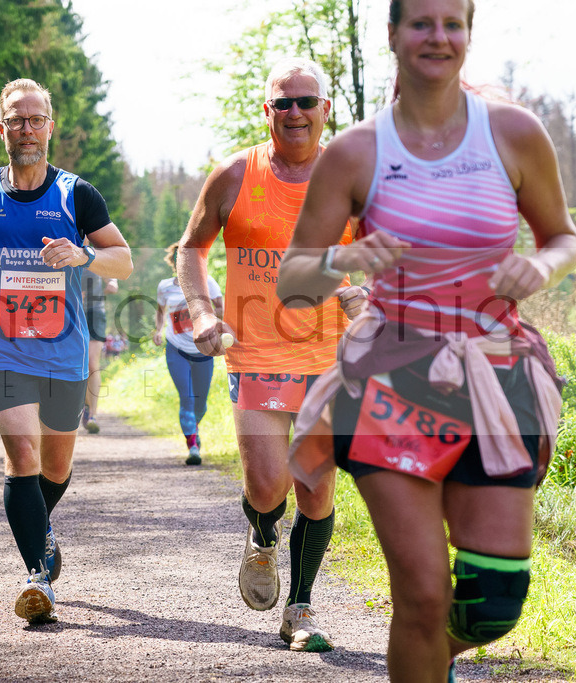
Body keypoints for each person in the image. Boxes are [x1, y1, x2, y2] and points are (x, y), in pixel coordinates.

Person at [276, 1, 576, 680]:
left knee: (493, 604)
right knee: (421, 594)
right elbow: (294, 282)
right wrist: (349, 261)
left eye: (453, 22)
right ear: (392, 35)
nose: (437, 36)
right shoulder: (356, 150)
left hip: (496, 371)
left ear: (469, 34)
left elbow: (564, 237)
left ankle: (425, 660)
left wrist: (542, 264)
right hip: (389, 376)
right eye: (421, 22)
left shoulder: (514, 133)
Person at [0, 78, 132, 624]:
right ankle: (37, 577)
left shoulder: (75, 195)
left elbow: (124, 259)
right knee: (22, 458)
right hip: (3, 348)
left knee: (56, 468)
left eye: (36, 119)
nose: (26, 129)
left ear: (50, 127)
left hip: (63, 351)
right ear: (1, 128)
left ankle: (40, 528)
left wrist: (83, 254)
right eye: (16, 119)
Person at [178, 58, 366, 652]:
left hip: (328, 356)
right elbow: (189, 250)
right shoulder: (234, 175)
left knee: (315, 488)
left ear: (324, 111)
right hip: (255, 351)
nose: (294, 112)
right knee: (268, 485)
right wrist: (203, 311)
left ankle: (300, 609)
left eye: (305, 101)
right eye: (282, 103)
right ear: (267, 111)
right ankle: (261, 539)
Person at [153, 243, 223, 465]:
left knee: (200, 403)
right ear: (174, 263)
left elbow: (221, 306)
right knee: (186, 398)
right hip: (176, 349)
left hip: (203, 350)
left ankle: (194, 426)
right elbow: (160, 311)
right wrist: (157, 330)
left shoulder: (208, 282)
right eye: (180, 260)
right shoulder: (165, 286)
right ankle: (193, 446)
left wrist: (218, 326)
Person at [82, 266, 117, 433]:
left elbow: (112, 276)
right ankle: (83, 401)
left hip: (94, 312)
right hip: (68, 312)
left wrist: (112, 282)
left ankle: (92, 415)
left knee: (91, 363)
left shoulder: (96, 252)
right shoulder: (62, 245)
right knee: (75, 364)